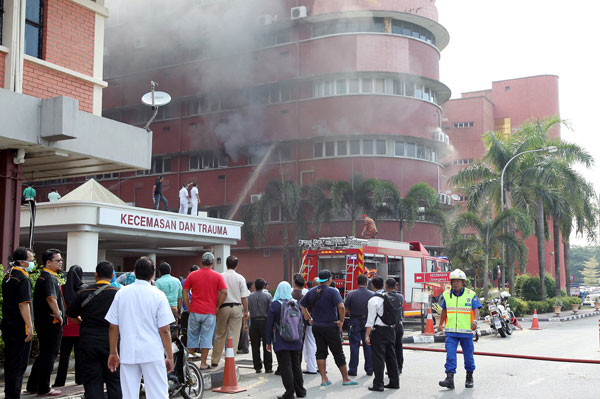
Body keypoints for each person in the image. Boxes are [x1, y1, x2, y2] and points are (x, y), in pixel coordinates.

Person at [105, 257, 175, 399]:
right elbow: (165, 329)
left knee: (129, 395)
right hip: (152, 352)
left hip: (128, 351)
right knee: (158, 394)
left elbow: (113, 326)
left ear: (135, 272)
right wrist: (170, 355)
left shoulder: (121, 293)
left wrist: (113, 352)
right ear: (153, 274)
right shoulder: (158, 295)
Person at [67, 261, 121, 399]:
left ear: (96, 275)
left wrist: (82, 323)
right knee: (114, 380)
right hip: (112, 343)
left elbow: (70, 314)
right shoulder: (119, 294)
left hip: (88, 341)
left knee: (92, 381)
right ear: (113, 275)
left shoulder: (83, 292)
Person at [299, 270, 357, 386]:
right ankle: (345, 378)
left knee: (320, 352)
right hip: (331, 326)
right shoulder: (332, 291)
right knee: (338, 352)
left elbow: (302, 305)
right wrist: (341, 321)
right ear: (330, 279)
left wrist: (309, 318)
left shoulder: (311, 291)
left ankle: (324, 379)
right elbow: (341, 306)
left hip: (317, 326)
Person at [26, 249, 65, 396]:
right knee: (49, 355)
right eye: (58, 260)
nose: (60, 262)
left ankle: (32, 385)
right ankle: (44, 388)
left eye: (61, 260)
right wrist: (58, 314)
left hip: (43, 322)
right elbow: (51, 298)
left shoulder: (44, 276)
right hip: (51, 322)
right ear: (48, 262)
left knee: (44, 354)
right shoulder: (49, 278)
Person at [437, 269, 482, 389]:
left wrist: (475, 321)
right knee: (450, 355)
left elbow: (476, 309)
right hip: (451, 332)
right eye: (453, 281)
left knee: (468, 356)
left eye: (458, 281)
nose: (455, 283)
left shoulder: (470, 294)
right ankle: (449, 379)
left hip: (466, 332)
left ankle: (469, 378)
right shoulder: (446, 294)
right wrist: (440, 324)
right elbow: (444, 310)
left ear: (463, 282)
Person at [182, 252, 227, 370]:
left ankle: (190, 362)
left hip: (195, 310)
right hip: (210, 311)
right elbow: (224, 292)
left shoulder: (192, 275)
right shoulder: (217, 276)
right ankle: (203, 363)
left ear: (201, 262)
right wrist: (217, 306)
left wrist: (188, 306)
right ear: (212, 263)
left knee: (192, 336)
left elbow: (185, 291)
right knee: (206, 337)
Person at [2, 247, 35, 399]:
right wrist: (29, 326)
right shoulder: (23, 278)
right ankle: (13, 395)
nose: (32, 262)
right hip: (19, 327)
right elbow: (24, 304)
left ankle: (9, 393)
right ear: (22, 262)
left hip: (8, 325)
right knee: (19, 363)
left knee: (10, 361)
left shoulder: (8, 275)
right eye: (31, 260)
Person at [266, 282, 306, 399]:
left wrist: (268, 342)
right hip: (296, 339)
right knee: (296, 365)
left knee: (285, 367)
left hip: (281, 340)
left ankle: (289, 393)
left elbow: (269, 325)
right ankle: (301, 391)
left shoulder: (275, 305)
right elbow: (300, 322)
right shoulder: (296, 303)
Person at [211, 255, 250, 367]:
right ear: (237, 265)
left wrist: (216, 307)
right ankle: (230, 360)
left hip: (223, 307)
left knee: (220, 334)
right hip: (237, 307)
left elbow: (217, 293)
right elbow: (244, 297)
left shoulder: (220, 276)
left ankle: (215, 360)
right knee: (234, 335)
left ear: (226, 264)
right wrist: (246, 311)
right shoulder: (240, 278)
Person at [365, 277, 400, 392]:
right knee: (391, 356)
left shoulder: (373, 300)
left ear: (373, 286)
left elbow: (370, 321)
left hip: (379, 332)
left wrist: (367, 335)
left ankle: (378, 384)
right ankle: (394, 382)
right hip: (391, 330)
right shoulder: (393, 297)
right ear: (383, 285)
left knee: (378, 358)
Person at [54, 265, 86, 387]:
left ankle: (59, 381)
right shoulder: (83, 290)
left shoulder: (61, 289)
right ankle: (80, 379)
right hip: (79, 326)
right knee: (79, 355)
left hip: (65, 327)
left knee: (64, 355)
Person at [344, 273, 374, 377]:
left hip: (354, 321)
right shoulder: (372, 295)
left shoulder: (351, 294)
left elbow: (345, 310)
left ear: (357, 283)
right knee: (368, 346)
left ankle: (353, 370)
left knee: (354, 346)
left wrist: (341, 321)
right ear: (367, 283)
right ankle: (370, 369)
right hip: (368, 322)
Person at [248, 278, 273, 373]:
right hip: (265, 322)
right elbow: (270, 310)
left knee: (255, 346)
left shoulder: (250, 296)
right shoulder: (268, 296)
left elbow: (249, 308)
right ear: (264, 286)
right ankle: (268, 367)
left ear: (255, 286)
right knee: (267, 344)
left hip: (253, 321)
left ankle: (257, 367)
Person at [238, 281, 254, 354]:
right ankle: (242, 347)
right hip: (244, 313)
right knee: (243, 331)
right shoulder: (247, 292)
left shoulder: (246, 293)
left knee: (244, 331)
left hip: (243, 314)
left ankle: (244, 347)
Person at [393, 281, 405, 374]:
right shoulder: (400, 296)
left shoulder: (385, 296)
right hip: (399, 324)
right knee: (398, 346)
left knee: (390, 348)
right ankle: (399, 367)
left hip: (390, 325)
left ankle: (392, 367)